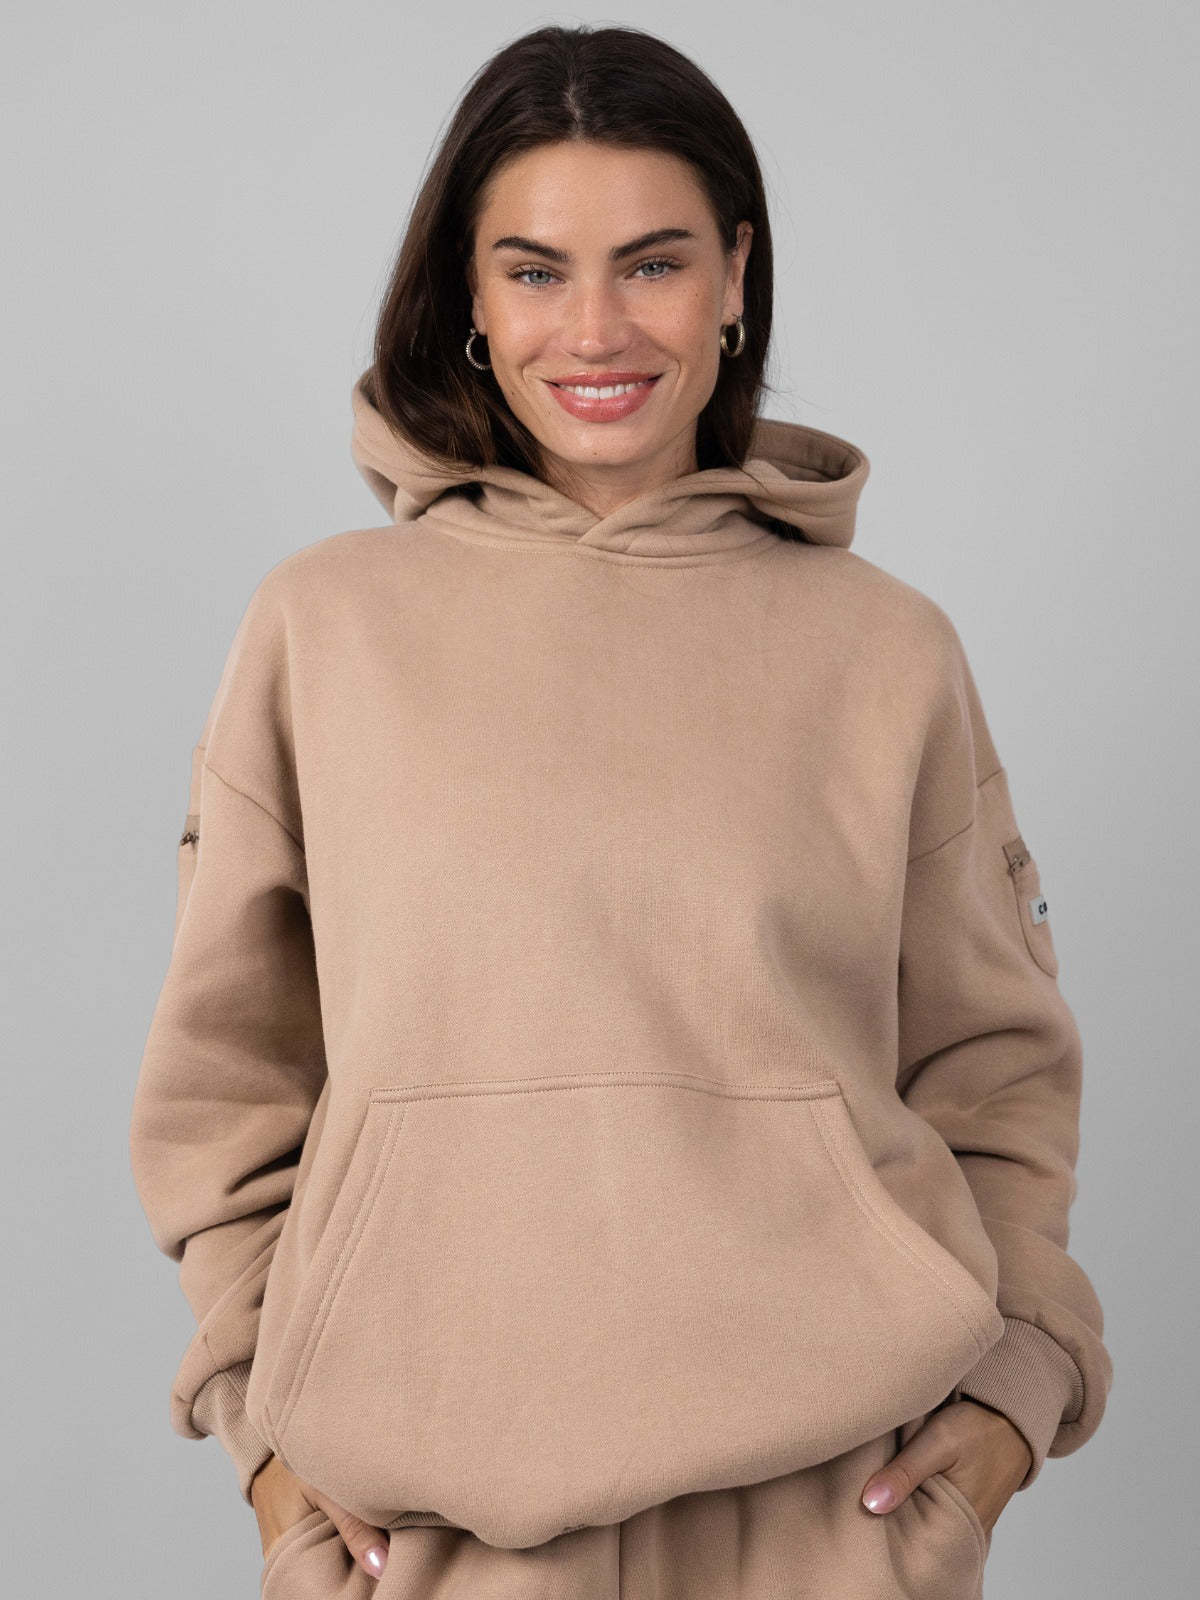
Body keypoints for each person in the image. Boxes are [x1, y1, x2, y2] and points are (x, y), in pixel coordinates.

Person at [128, 22, 1112, 1598]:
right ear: (468, 296)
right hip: (431, 1524)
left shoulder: (884, 650)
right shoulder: (324, 630)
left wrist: (1016, 1391)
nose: (595, 328)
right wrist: (267, 1441)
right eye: (534, 271)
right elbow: (226, 1083)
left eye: (653, 264)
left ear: (735, 276)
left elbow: (996, 1072)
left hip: (831, 1517)